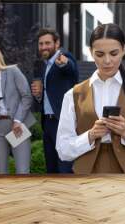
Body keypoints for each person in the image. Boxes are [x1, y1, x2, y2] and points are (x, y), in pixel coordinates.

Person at [56, 23, 125, 174]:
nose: (107, 61)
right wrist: (91, 135)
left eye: (114, 53)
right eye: (99, 54)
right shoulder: (73, 95)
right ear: (91, 52)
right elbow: (63, 150)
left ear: (124, 49)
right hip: (87, 175)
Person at [0, 45, 36, 175]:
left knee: (22, 170)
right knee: (0, 171)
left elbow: (27, 96)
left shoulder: (13, 71)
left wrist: (17, 120)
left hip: (17, 124)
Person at [31, 28, 79, 174]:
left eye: (47, 43)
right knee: (51, 168)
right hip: (48, 122)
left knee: (65, 167)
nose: (44, 47)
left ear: (57, 43)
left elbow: (71, 70)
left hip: (62, 122)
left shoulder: (63, 57)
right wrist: (38, 94)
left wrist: (64, 63)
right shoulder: (44, 65)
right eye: (41, 44)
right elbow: (49, 94)